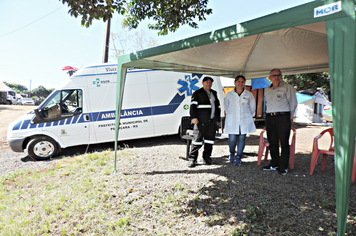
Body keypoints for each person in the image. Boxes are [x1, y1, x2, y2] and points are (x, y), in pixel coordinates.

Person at [263, 68, 297, 175]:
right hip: (270, 117)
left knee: (284, 142)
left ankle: (283, 166)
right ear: (270, 78)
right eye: (274, 75)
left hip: (283, 117)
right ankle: (274, 164)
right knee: (272, 141)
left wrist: (291, 117)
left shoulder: (287, 87)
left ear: (281, 76)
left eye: (278, 75)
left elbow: (293, 103)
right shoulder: (267, 89)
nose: (276, 77)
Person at [188, 76, 221, 168]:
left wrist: (217, 119)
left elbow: (218, 107)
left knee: (209, 141)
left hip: (211, 122)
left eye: (210, 82)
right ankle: (192, 159)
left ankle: (206, 158)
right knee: (197, 141)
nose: (209, 84)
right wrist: (193, 117)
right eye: (207, 82)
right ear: (202, 83)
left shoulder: (214, 93)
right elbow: (192, 107)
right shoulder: (197, 93)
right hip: (200, 122)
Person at [224, 75, 256, 165]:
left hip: (244, 119)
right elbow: (226, 106)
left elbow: (252, 107)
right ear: (235, 82)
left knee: (242, 138)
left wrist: (249, 115)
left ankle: (239, 156)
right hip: (232, 119)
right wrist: (232, 113)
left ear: (244, 83)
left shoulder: (249, 94)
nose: (240, 83)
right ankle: (231, 153)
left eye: (242, 82)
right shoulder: (229, 94)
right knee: (232, 139)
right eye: (239, 81)